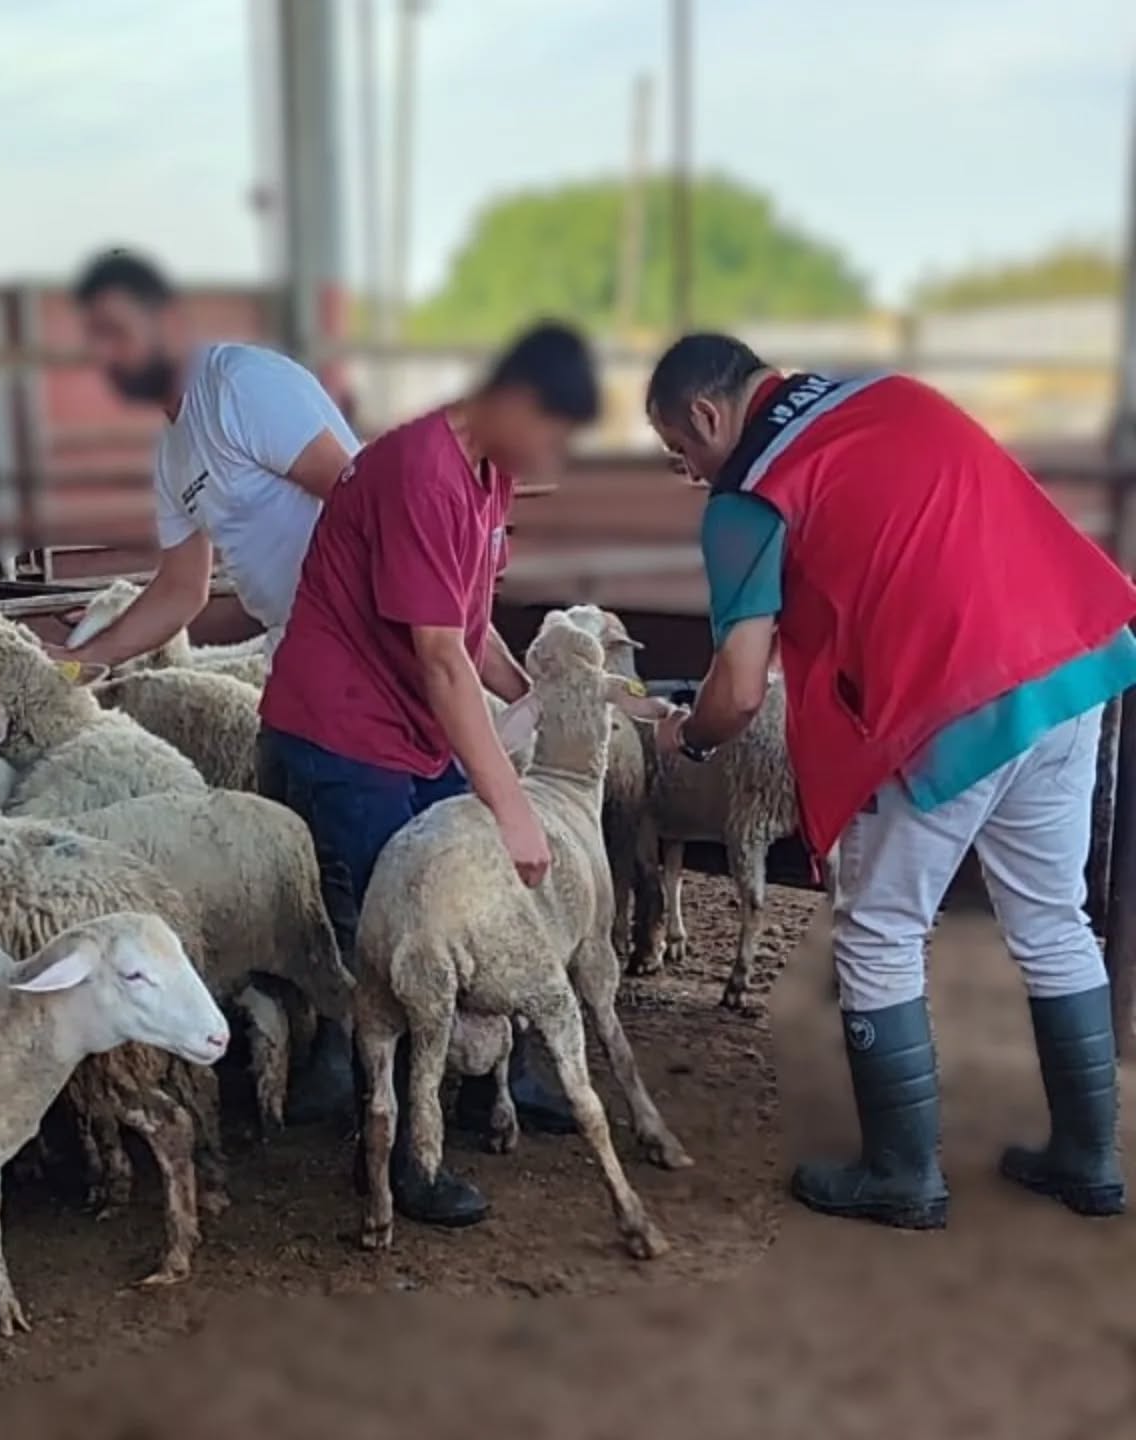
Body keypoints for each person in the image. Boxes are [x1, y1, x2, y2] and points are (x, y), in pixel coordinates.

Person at [644, 333, 1136, 1231]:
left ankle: (902, 1173)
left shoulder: (748, 499)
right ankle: (1089, 1158)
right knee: (1055, 918)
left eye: (683, 453)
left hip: (950, 699)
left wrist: (690, 739)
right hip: (1069, 664)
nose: (690, 474)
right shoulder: (894, 397)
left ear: (710, 416)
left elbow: (741, 689)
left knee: (877, 931)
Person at [258, 322, 602, 1229]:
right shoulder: (422, 472)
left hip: (408, 732)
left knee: (467, 904)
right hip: (346, 733)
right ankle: (405, 1158)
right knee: (411, 946)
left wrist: (529, 698)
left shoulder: (485, 476)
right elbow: (443, 658)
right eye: (556, 433)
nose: (555, 456)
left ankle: (502, 1081)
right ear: (517, 403)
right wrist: (513, 802)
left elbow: (472, 630)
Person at [55, 249, 358, 671]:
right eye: (96, 341)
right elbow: (181, 589)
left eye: (118, 333)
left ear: (169, 323)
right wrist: (76, 663)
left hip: (357, 638)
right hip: (298, 645)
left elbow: (357, 495)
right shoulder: (173, 455)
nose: (106, 356)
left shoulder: (239, 385)